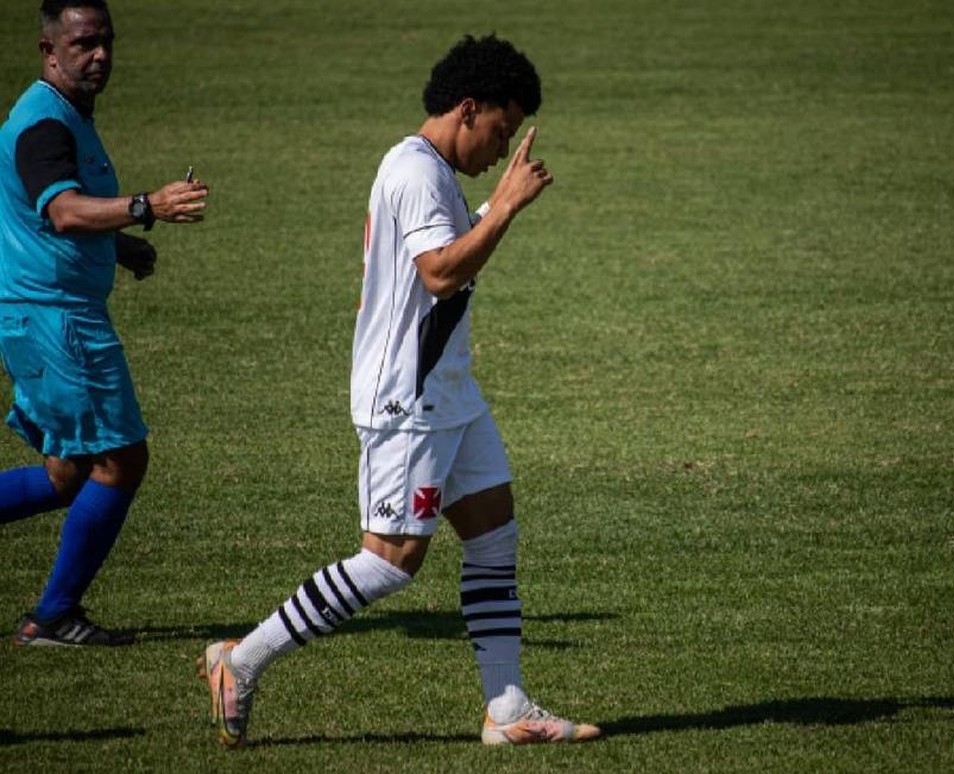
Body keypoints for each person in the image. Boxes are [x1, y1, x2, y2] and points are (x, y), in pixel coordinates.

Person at [200, 33, 600, 748]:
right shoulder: (415, 170)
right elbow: (440, 273)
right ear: (467, 109)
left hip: (448, 392)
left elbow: (445, 260)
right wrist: (504, 208)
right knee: (390, 562)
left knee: (493, 532)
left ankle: (507, 709)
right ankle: (243, 659)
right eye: (499, 131)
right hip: (406, 401)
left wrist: (491, 207)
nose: (498, 150)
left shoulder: (434, 172)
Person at [0, 0, 209, 646]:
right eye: (84, 44)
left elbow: (38, 215)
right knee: (121, 459)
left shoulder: (64, 116)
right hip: (57, 321)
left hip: (43, 315)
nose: (100, 56)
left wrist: (118, 245)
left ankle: (54, 614)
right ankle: (54, 615)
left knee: (67, 473)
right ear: (48, 51)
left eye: (107, 42)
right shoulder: (44, 126)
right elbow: (62, 212)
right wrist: (147, 206)